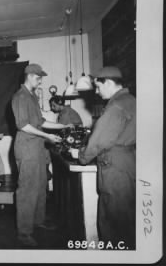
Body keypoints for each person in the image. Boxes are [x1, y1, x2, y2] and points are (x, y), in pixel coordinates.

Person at [69, 66, 136, 249]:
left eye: (98, 87)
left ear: (107, 82)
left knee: (113, 223)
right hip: (129, 162)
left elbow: (98, 142)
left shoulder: (115, 107)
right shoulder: (131, 101)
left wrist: (81, 155)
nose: (97, 93)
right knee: (128, 220)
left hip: (115, 170)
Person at [12, 63, 70, 247]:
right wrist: (47, 136)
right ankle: (24, 232)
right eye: (38, 77)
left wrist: (62, 126)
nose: (40, 80)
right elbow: (23, 125)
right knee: (28, 190)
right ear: (29, 76)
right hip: (27, 147)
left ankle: (38, 220)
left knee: (40, 186)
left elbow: (41, 121)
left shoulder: (32, 97)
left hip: (37, 147)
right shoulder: (20, 96)